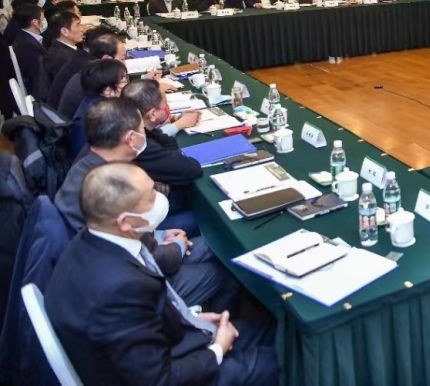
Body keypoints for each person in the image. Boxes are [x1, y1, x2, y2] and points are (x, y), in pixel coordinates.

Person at [46, 163, 278, 386]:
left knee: (277, 333)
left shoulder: (90, 240)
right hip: (180, 369)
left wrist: (189, 318)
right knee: (281, 363)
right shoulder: (121, 290)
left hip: (173, 336)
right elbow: (159, 380)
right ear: (125, 222)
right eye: (151, 196)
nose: (159, 198)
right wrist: (217, 349)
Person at [57, 100, 240, 310]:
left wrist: (160, 236)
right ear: (131, 138)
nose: (146, 133)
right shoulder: (106, 186)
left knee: (219, 244)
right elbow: (143, 257)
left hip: (141, 247)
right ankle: (215, 326)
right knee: (227, 267)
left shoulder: (93, 162)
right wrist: (177, 247)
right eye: (142, 129)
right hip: (139, 282)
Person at [122, 80, 203, 228]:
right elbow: (192, 168)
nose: (167, 107)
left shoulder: (130, 127)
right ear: (153, 114)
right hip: (145, 222)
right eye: (164, 104)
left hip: (139, 207)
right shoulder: (141, 145)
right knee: (204, 218)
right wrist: (172, 155)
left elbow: (164, 138)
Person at [53, 28, 125, 114]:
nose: (124, 63)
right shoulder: (93, 79)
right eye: (122, 59)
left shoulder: (88, 66)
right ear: (107, 59)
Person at [69, 59, 129, 158]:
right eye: (123, 81)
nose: (126, 85)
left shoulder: (90, 101)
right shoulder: (103, 117)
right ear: (107, 90)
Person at [10, 2, 49, 99]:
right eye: (43, 18)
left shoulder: (25, 37)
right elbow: (39, 79)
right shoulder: (27, 46)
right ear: (35, 22)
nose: (44, 21)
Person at [42, 10, 85, 80]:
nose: (82, 29)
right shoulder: (64, 59)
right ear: (64, 31)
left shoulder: (60, 48)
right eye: (77, 25)